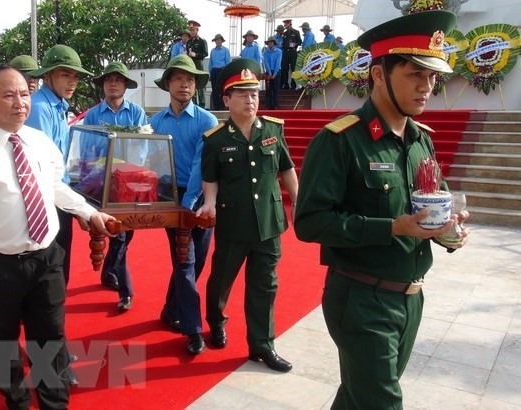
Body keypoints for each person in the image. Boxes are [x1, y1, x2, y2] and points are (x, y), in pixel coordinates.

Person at [294, 10, 471, 408]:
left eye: (432, 77)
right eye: (415, 75)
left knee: (358, 398)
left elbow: (435, 202)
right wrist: (393, 227)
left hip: (411, 298)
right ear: (378, 74)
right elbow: (309, 223)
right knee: (382, 402)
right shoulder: (340, 140)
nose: (427, 87)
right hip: (361, 299)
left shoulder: (420, 139)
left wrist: (449, 230)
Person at [0, 64, 114, 409]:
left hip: (46, 259)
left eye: (24, 93)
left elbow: (53, 187)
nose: (20, 102)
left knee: (49, 338)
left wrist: (88, 211)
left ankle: (53, 403)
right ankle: (16, 400)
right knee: (1, 342)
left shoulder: (40, 141)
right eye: (8, 94)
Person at [196, 58, 299, 373]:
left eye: (254, 93)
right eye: (242, 94)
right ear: (226, 100)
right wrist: (210, 202)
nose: (250, 99)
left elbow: (286, 168)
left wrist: (299, 199)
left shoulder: (272, 129)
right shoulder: (216, 139)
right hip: (232, 223)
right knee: (221, 281)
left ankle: (262, 346)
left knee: (265, 286)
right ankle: (216, 321)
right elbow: (210, 177)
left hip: (268, 224)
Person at [149, 54, 218, 355]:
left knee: (195, 261)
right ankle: (193, 329)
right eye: (178, 78)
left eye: (190, 79)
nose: (184, 84)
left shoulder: (207, 120)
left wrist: (189, 204)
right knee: (185, 261)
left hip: (201, 196)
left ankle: (169, 308)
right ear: (168, 84)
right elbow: (148, 160)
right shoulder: (154, 122)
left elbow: (203, 166)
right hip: (169, 197)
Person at [25, 44, 93, 286]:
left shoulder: (56, 106)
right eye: (65, 75)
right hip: (46, 199)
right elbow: (40, 168)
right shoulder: (40, 109)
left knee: (59, 259)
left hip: (59, 194)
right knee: (51, 266)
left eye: (75, 76)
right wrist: (78, 207)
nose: (72, 82)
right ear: (47, 75)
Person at [83, 62, 148, 309]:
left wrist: (128, 173)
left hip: (128, 182)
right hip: (101, 183)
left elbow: (142, 148)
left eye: (118, 80)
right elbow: (87, 150)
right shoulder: (92, 115)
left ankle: (108, 271)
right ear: (103, 85)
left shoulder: (137, 113)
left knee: (125, 234)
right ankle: (126, 291)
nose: (113, 83)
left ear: (124, 85)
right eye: (108, 79)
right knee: (119, 236)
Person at [186, 20, 208, 108]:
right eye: (190, 30)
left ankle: (202, 105)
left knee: (200, 84)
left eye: (193, 30)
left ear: (197, 30)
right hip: (191, 64)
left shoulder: (202, 41)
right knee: (192, 83)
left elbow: (205, 53)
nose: (192, 32)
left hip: (198, 63)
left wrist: (196, 54)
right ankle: (194, 104)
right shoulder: (189, 42)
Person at [209, 34, 231, 111]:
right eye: (216, 40)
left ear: (222, 41)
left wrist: (227, 73)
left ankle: (223, 106)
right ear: (215, 41)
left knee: (222, 89)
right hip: (214, 71)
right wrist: (210, 73)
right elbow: (210, 63)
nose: (218, 41)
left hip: (222, 71)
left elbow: (228, 62)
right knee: (214, 90)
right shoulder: (212, 51)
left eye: (219, 40)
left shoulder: (225, 50)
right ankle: (216, 107)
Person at [280, 19, 301, 90]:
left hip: (293, 52)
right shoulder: (285, 33)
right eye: (286, 27)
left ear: (290, 25)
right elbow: (283, 42)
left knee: (293, 69)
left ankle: (293, 84)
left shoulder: (296, 32)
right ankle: (285, 84)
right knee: (284, 68)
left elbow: (300, 41)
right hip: (286, 52)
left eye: (287, 26)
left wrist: (296, 44)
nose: (287, 28)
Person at [263, 37, 282, 110]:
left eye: (271, 42)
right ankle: (268, 105)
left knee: (276, 89)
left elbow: (278, 63)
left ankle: (276, 105)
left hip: (277, 71)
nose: (270, 43)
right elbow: (266, 63)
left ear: (274, 43)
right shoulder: (265, 52)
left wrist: (274, 74)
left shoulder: (279, 51)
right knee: (268, 89)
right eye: (268, 42)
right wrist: (270, 73)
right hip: (269, 71)